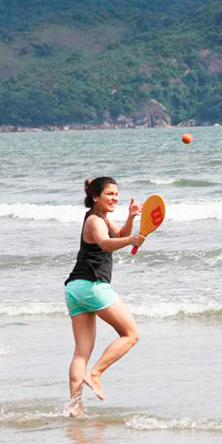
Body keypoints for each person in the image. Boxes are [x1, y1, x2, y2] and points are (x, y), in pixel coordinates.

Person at [65, 177, 144, 417]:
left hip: (75, 289)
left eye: (117, 194)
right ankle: (96, 373)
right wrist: (130, 240)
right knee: (131, 334)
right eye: (110, 194)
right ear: (96, 197)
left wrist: (131, 218)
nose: (115, 198)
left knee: (81, 352)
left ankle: (75, 407)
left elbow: (118, 233)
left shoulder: (101, 218)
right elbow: (107, 243)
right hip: (93, 286)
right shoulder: (94, 220)